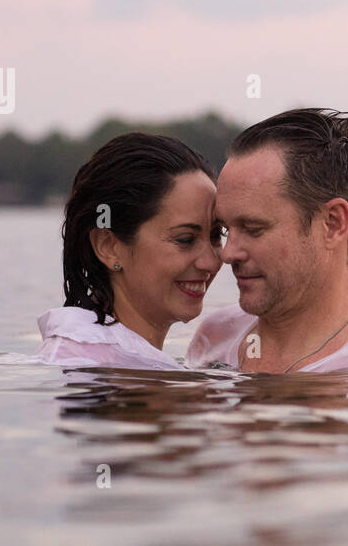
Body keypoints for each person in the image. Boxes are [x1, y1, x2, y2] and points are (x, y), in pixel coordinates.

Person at [186, 108, 348, 373]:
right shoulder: (216, 336)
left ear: (333, 224)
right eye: (225, 230)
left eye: (253, 228)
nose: (227, 254)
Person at [32, 132, 223, 370]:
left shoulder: (105, 358)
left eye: (216, 235)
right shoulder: (87, 365)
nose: (211, 262)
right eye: (185, 239)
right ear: (109, 247)